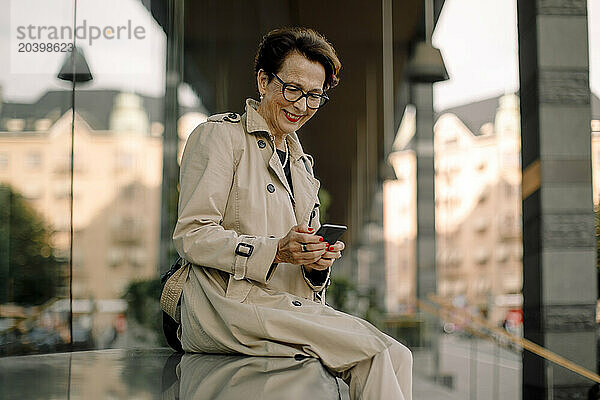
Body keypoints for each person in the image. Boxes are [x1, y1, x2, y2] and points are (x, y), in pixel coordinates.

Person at [164, 27, 412, 400]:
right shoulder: (219, 137)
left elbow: (296, 256)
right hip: (228, 304)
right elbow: (192, 235)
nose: (301, 105)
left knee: (399, 355)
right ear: (264, 80)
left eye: (315, 95)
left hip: (282, 306)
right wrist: (275, 251)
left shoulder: (303, 167)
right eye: (292, 89)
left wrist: (316, 264)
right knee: (374, 355)